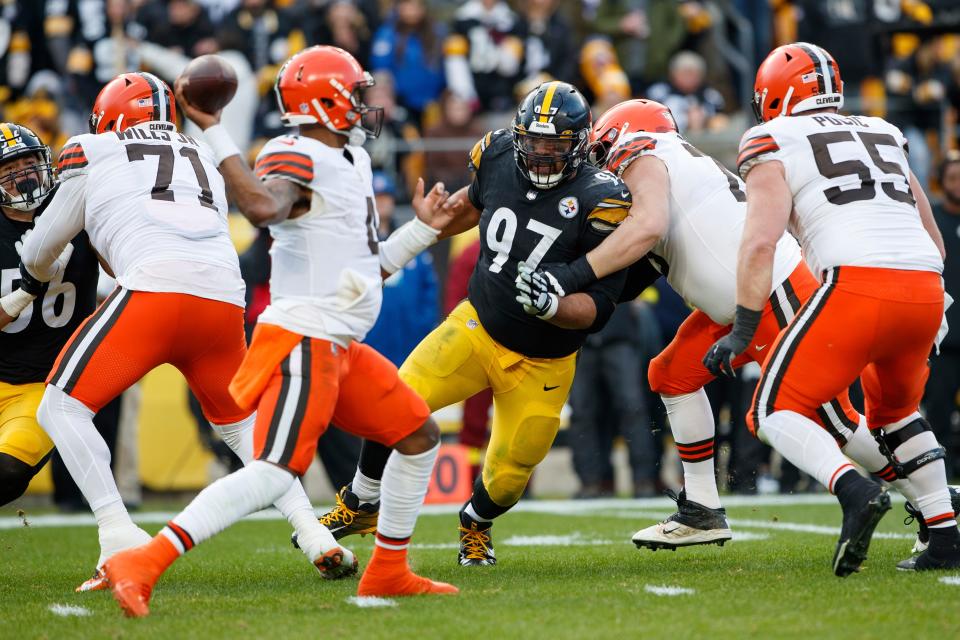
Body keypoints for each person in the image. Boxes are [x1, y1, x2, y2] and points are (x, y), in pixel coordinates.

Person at [101, 46, 459, 617]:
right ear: (325, 100)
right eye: (355, 92)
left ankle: (388, 570)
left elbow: (370, 266)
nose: (366, 104)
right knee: (273, 472)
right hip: (304, 339)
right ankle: (141, 561)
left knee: (417, 437)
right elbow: (264, 208)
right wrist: (214, 134)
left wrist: (424, 230)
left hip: (339, 343)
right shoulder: (295, 151)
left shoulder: (352, 160)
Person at [523, 98, 920, 554]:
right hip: (733, 309)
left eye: (598, 151)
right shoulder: (676, 172)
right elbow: (631, 276)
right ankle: (701, 510)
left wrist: (569, 278)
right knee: (671, 375)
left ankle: (927, 498)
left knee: (835, 420)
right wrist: (568, 302)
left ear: (618, 135)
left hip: (776, 294)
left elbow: (647, 227)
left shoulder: (645, 150)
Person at [13, 71, 344, 593]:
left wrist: (24, 286)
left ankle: (118, 537)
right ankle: (312, 531)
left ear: (112, 116)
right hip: (220, 298)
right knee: (243, 427)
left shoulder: (92, 148)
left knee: (60, 406)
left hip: (154, 292)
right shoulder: (202, 155)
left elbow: (41, 247)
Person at [319, 81, 643, 567]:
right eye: (532, 145)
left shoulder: (604, 199)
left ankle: (475, 522)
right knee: (397, 398)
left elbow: (600, 305)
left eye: (554, 147)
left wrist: (555, 306)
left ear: (579, 145)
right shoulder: (496, 153)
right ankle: (362, 501)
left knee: (511, 474)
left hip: (545, 360)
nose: (540, 158)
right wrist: (429, 226)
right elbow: (474, 206)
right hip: (479, 325)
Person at [706, 42, 958, 572]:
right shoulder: (884, 132)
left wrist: (742, 326)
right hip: (925, 287)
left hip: (856, 283)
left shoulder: (770, 138)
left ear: (774, 96)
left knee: (772, 409)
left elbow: (759, 243)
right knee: (896, 414)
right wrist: (930, 299)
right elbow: (932, 233)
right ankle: (945, 534)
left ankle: (854, 491)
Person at [0, 123, 98, 507]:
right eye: (9, 169)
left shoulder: (76, 210)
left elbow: (119, 266)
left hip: (42, 386)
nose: (23, 175)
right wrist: (27, 289)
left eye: (28, 162)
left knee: (7, 472)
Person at [926, 153, 960, 479]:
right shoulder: (931, 221)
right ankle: (940, 476)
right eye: (953, 178)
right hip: (943, 339)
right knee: (938, 412)